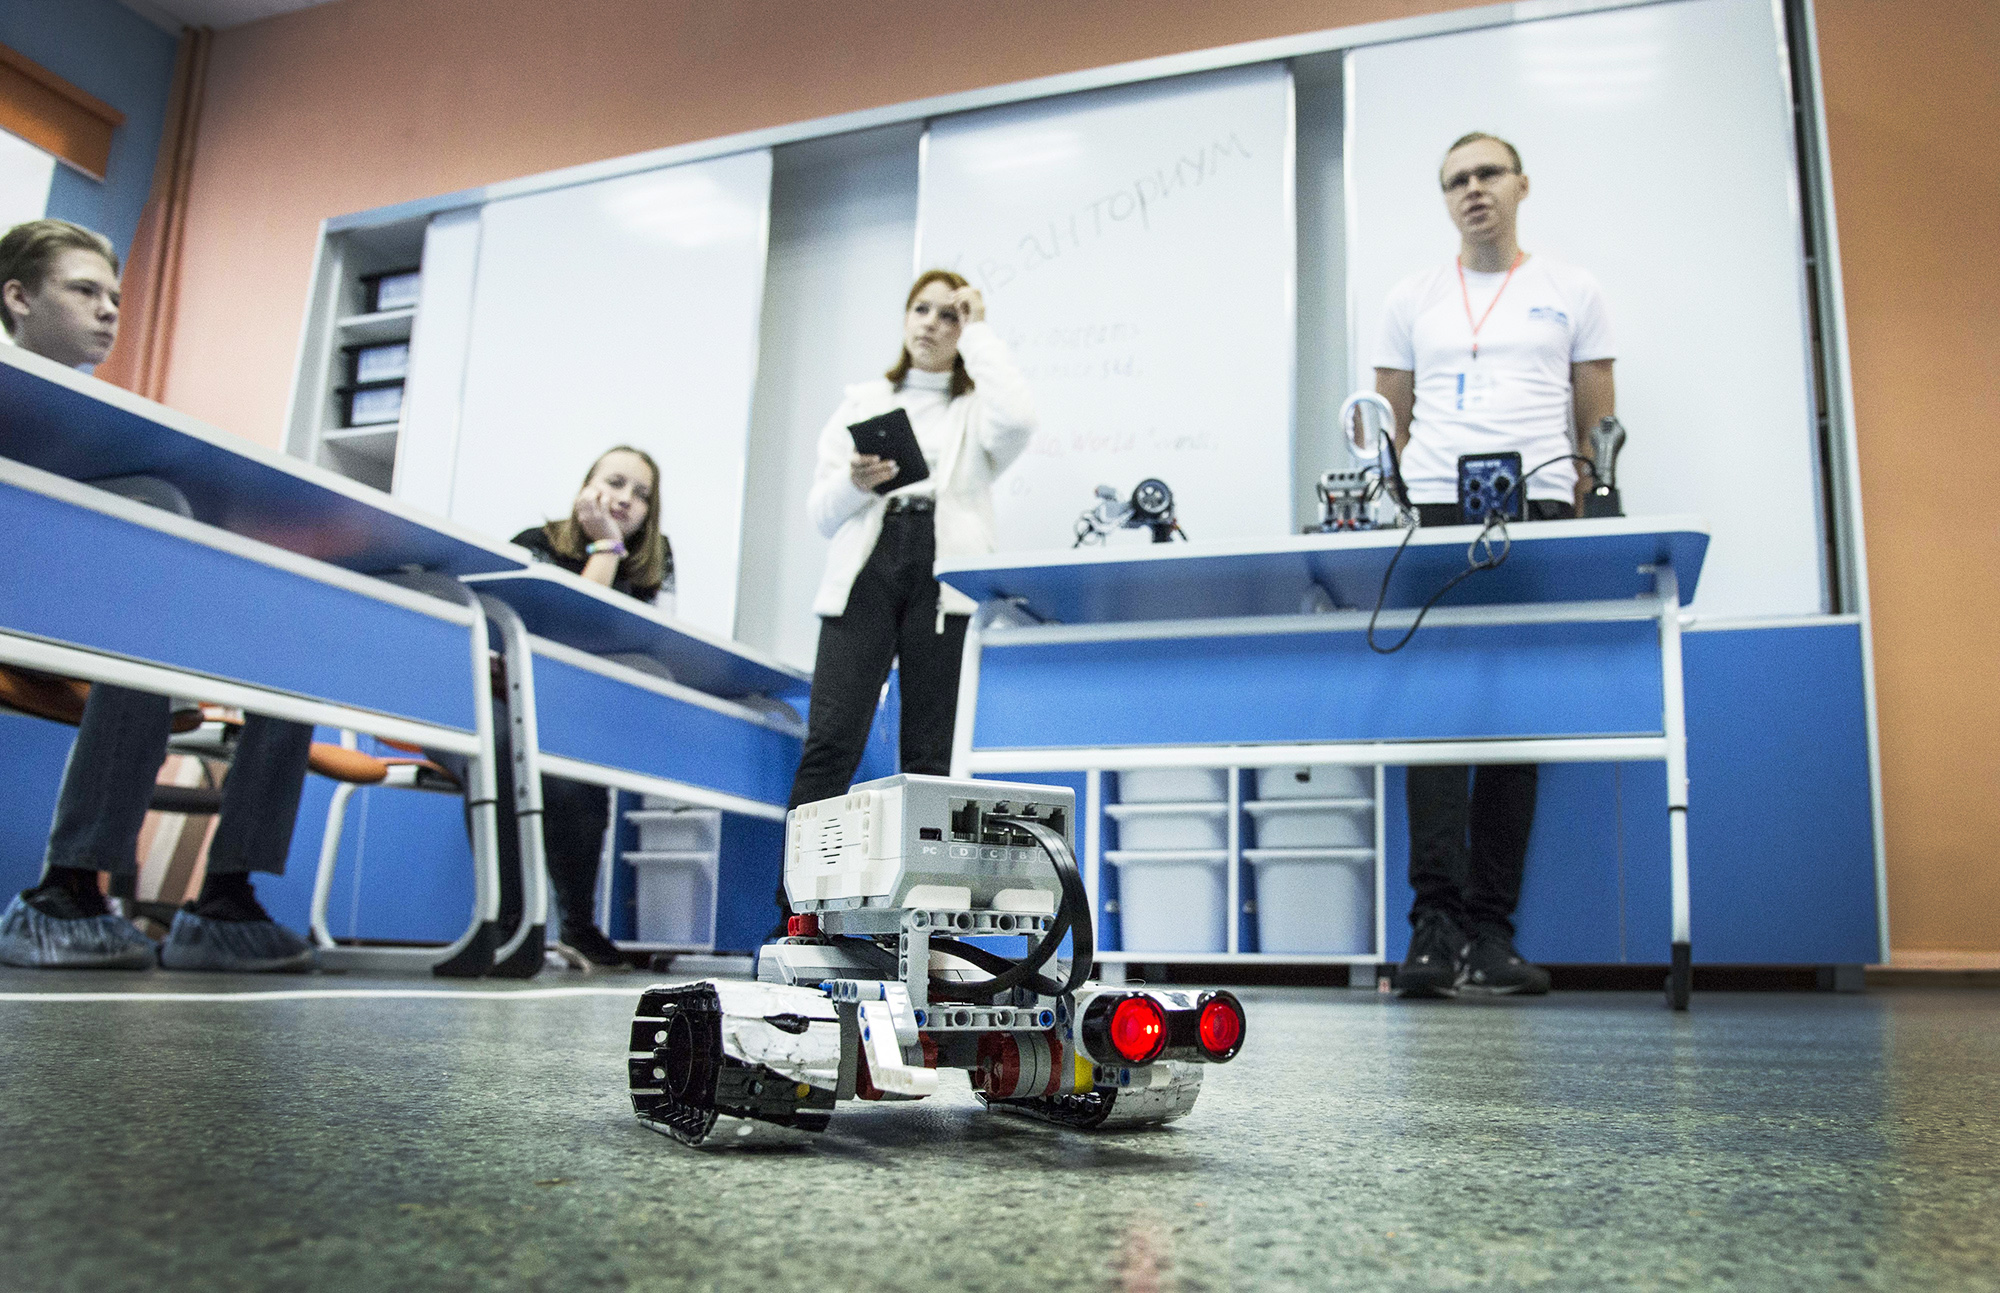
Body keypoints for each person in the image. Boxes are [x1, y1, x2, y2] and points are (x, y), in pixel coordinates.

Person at [0, 219, 317, 972]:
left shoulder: (109, 427)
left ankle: (226, 901)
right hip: (33, 605)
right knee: (151, 554)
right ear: (17, 297)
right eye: (84, 291)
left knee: (292, 649)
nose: (109, 309)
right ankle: (66, 891)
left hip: (104, 610)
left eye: (114, 296)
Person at [1372, 133, 1617, 998]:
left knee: (1518, 722)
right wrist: (1393, 503)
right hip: (1437, 511)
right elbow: (1388, 423)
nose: (1473, 189)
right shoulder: (1412, 297)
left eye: (1487, 174)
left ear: (1521, 184)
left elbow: (1596, 419)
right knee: (1434, 722)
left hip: (1536, 508)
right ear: (1446, 199)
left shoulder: (1572, 290)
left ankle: (1492, 933)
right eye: (1456, 180)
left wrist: (1588, 502)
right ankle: (1434, 931)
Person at [780, 269, 1035, 907]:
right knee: (832, 739)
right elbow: (821, 515)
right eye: (922, 309)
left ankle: (923, 909)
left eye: (950, 315)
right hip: (867, 565)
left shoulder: (977, 411)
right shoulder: (862, 402)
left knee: (928, 750)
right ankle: (794, 909)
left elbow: (1020, 419)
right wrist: (855, 484)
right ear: (904, 317)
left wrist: (979, 331)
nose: (932, 324)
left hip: (941, 573)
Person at [497, 446, 673, 968]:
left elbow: (655, 644)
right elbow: (572, 630)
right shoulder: (535, 545)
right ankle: (509, 923)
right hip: (504, 704)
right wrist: (605, 545)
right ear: (587, 485)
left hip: (574, 715)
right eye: (615, 482)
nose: (626, 498)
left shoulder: (651, 567)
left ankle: (578, 926)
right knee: (515, 751)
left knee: (580, 772)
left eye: (641, 494)